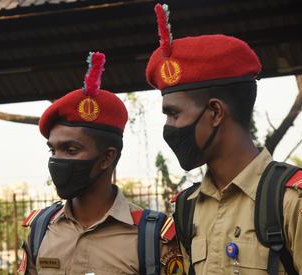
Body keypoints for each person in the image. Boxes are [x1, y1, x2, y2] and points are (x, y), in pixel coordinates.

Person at [146, 4, 302, 275]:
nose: (168, 128)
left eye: (174, 114)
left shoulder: (290, 202)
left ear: (215, 112)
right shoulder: (187, 208)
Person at [19, 52, 182, 275]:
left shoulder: (152, 237)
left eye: (71, 150)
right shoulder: (40, 229)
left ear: (107, 158)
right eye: (53, 149)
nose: (57, 160)